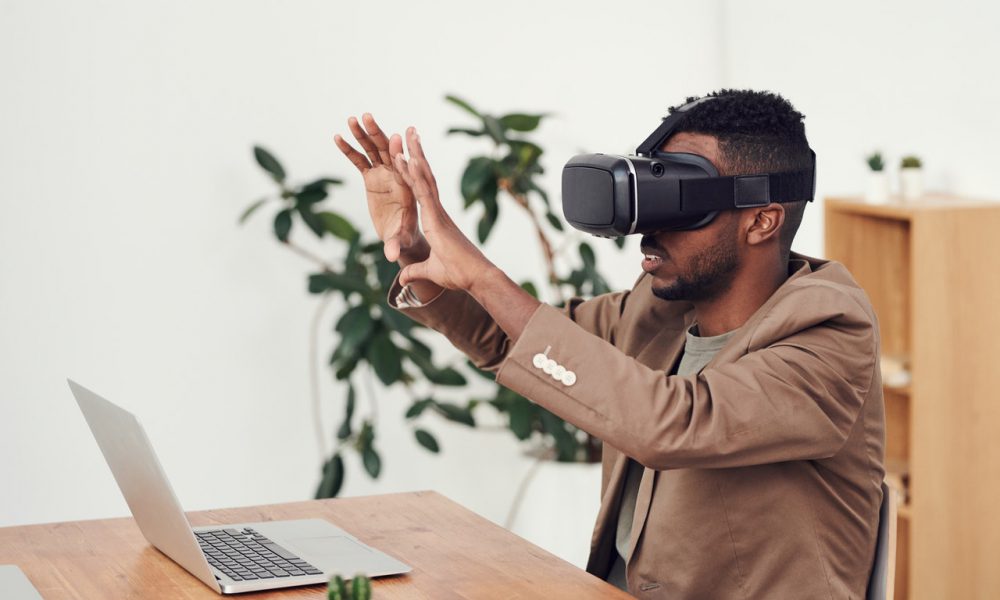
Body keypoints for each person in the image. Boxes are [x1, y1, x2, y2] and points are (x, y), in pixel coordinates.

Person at [335, 89, 885, 599]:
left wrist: (480, 273)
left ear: (762, 221)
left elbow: (675, 424)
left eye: (680, 201)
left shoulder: (829, 330)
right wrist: (416, 253)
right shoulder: (659, 311)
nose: (649, 230)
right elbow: (516, 343)